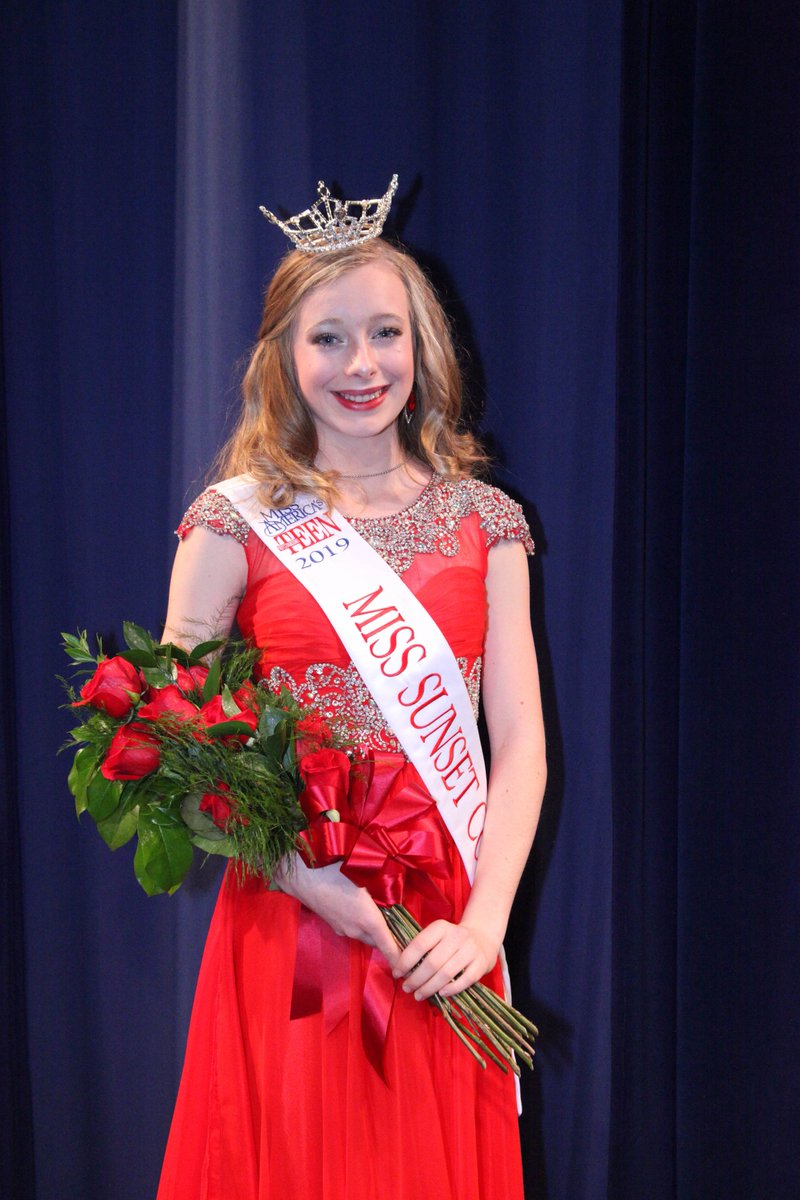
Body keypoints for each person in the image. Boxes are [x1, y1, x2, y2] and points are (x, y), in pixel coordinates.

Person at [156, 177, 546, 1200]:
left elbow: (519, 741)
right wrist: (308, 883)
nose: (360, 364)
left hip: (445, 931)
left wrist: (486, 925)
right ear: (283, 356)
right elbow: (173, 734)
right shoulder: (231, 523)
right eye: (327, 338)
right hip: (294, 915)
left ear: (423, 349)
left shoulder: (484, 520)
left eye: (384, 333)